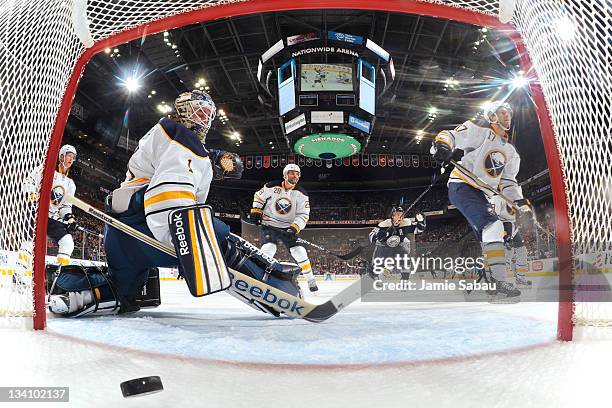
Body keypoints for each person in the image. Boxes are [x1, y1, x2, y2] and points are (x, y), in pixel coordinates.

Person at [46, 90, 301, 317]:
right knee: (221, 239)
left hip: (119, 236)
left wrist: (211, 158)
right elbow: (168, 201)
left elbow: (169, 159)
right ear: (183, 110)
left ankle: (75, 296)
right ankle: (280, 290)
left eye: (208, 115)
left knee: (123, 291)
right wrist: (184, 243)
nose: (205, 119)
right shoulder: (183, 141)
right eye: (199, 112)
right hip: (147, 226)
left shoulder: (162, 132)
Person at [431, 101, 531, 298]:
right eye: (502, 112)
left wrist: (518, 200)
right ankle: (498, 281)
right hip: (462, 185)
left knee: (493, 236)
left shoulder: (511, 152)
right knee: (493, 227)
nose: (507, 116)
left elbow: (509, 183)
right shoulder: (480, 132)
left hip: (483, 195)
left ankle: (490, 277)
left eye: (509, 113)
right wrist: (442, 145)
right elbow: (451, 135)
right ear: (492, 116)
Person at [15, 145, 78, 288]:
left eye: (73, 157)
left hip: (53, 218)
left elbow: (65, 206)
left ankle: (57, 280)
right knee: (29, 243)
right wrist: (31, 196)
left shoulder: (70, 184)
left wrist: (69, 217)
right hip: (36, 211)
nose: (71, 159)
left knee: (68, 242)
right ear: (61, 156)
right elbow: (29, 182)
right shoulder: (45, 169)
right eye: (69, 155)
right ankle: (19, 274)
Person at [249, 163, 318, 292]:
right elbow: (259, 196)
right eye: (292, 173)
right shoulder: (271, 186)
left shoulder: (301, 194)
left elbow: (303, 214)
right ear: (285, 175)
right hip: (269, 224)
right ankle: (260, 278)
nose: (295, 176)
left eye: (297, 174)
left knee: (299, 251)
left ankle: (310, 280)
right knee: (268, 248)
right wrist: (256, 211)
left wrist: (294, 228)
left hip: (288, 228)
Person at [368, 206, 426, 280]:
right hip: (383, 247)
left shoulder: (406, 223)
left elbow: (419, 230)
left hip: (399, 246)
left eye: (402, 214)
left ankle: (404, 279)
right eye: (398, 214)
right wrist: (381, 236)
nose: (400, 216)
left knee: (405, 260)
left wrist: (421, 221)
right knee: (379, 264)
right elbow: (371, 236)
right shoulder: (384, 224)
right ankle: (374, 274)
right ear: (392, 216)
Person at [489, 193, 532, 287]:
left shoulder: (511, 195)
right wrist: (503, 234)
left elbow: (521, 207)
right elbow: (492, 217)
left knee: (522, 251)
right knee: (508, 253)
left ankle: (520, 278)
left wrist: (525, 212)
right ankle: (499, 280)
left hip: (513, 226)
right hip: (504, 227)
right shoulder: (496, 198)